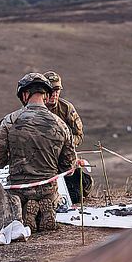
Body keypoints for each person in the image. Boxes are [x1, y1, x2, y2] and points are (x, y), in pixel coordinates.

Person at [0, 73, 78, 234]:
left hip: (18, 192)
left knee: (10, 209)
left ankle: (26, 209)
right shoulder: (61, 125)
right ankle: (46, 207)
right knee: (52, 198)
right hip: (49, 191)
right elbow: (69, 167)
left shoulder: (9, 121)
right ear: (47, 94)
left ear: (24, 94)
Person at [45, 71, 92, 204]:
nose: (54, 94)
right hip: (42, 161)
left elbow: (79, 135)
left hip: (64, 159)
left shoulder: (66, 108)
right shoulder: (32, 109)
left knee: (77, 193)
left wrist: (66, 144)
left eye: (57, 90)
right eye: (51, 90)